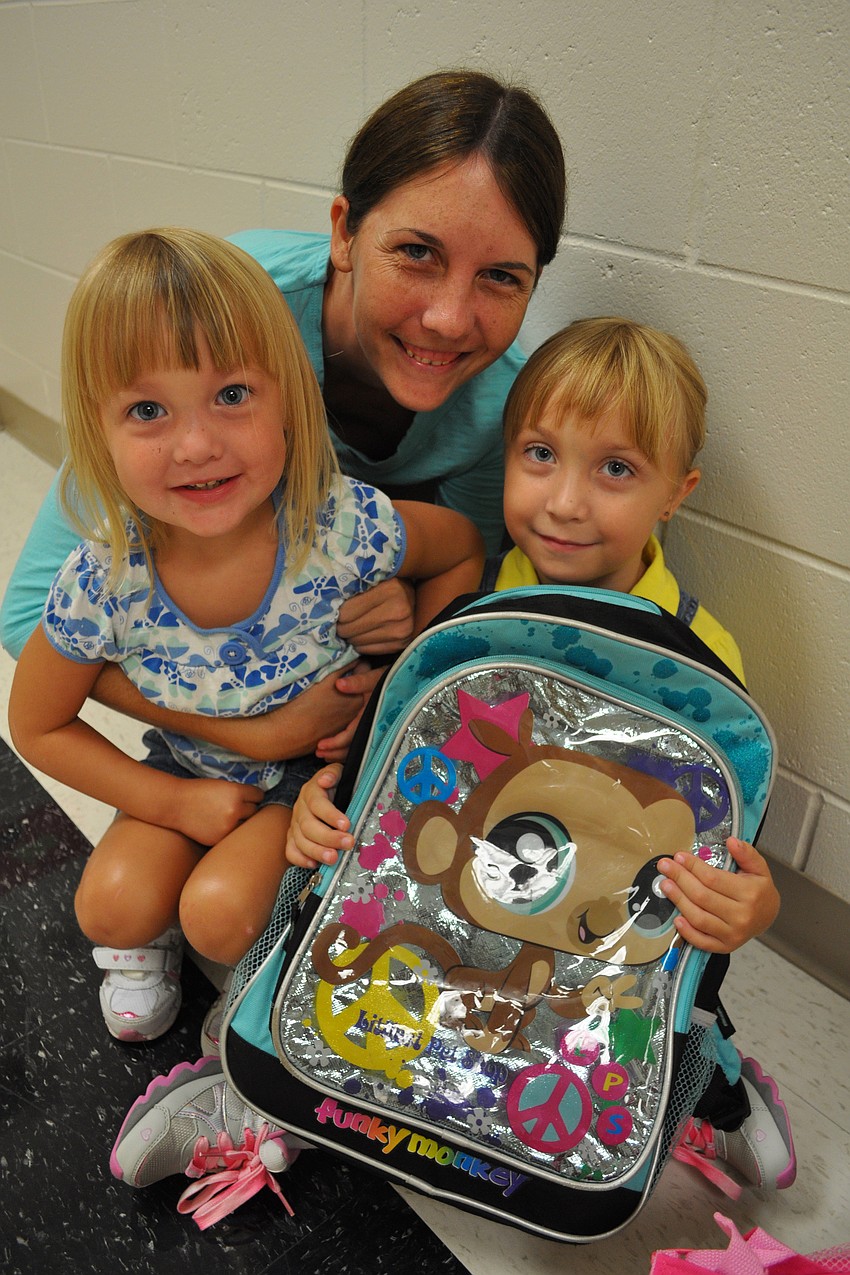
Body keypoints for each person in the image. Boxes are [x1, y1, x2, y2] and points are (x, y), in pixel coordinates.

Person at [108, 318, 794, 1226]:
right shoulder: (468, 614)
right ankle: (267, 1075)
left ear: (679, 492)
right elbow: (385, 798)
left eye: (616, 470)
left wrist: (754, 906)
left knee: (654, 1000)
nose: (566, 503)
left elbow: (711, 868)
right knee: (337, 927)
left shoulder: (707, 663)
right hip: (449, 920)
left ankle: (698, 1081)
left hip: (589, 965)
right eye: (540, 455)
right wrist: (321, 813)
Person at [0, 68, 567, 771]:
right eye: (416, 253)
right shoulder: (218, 325)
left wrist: (400, 607)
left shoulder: (502, 409)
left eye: (501, 276)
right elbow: (28, 614)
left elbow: (453, 576)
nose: (449, 318)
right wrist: (248, 733)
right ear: (343, 233)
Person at [7, 227, 484, 1044]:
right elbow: (36, 722)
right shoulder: (105, 575)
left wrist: (403, 665)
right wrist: (173, 802)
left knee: (220, 917)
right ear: (99, 429)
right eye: (148, 410)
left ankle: (290, 938)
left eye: (232, 395)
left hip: (313, 782)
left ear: (289, 399)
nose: (197, 446)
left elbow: (463, 550)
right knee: (107, 906)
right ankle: (169, 917)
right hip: (189, 767)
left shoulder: (339, 525)